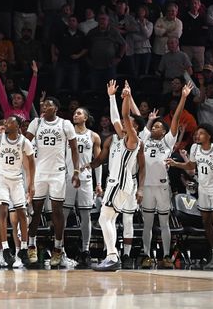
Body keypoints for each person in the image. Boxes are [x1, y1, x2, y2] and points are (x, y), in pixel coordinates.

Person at [90, 81, 143, 271]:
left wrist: (127, 97)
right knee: (109, 219)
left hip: (119, 182)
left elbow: (125, 116)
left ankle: (112, 256)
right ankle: (112, 255)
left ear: (134, 127)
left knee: (105, 219)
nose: (122, 125)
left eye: (129, 125)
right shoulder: (121, 138)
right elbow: (116, 118)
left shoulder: (133, 139)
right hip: (120, 182)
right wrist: (112, 96)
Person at [138, 82, 191, 269]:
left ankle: (167, 255)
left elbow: (175, 119)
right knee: (147, 224)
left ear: (165, 132)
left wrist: (183, 98)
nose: (154, 129)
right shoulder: (144, 139)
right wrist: (150, 120)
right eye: (154, 126)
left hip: (162, 187)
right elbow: (140, 121)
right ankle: (146, 255)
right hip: (146, 187)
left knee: (164, 223)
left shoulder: (168, 142)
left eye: (159, 126)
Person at [23, 95, 80, 267]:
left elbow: (74, 149)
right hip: (39, 172)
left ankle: (57, 248)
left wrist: (76, 171)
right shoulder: (36, 123)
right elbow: (24, 144)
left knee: (57, 212)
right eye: (42, 105)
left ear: (55, 108)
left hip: (58, 173)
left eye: (47, 105)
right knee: (36, 210)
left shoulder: (65, 124)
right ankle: (30, 245)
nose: (43, 107)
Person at [167, 125, 213, 270]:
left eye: (201, 133)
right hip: (202, 189)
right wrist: (176, 164)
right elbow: (191, 165)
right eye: (196, 133)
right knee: (206, 221)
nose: (197, 136)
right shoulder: (195, 149)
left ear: (209, 136)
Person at [0, 115, 35, 268]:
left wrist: (31, 185)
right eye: (5, 122)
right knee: (3, 211)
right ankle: (6, 248)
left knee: (21, 213)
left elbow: (31, 164)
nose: (6, 124)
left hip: (17, 179)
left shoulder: (24, 142)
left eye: (10, 122)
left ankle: (24, 248)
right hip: (1, 178)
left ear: (18, 126)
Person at [65, 107, 102, 268]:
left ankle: (86, 250)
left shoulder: (93, 136)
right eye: (74, 113)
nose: (75, 115)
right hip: (68, 177)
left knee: (86, 215)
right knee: (63, 214)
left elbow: (98, 161)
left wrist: (99, 183)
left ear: (86, 117)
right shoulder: (67, 133)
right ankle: (59, 249)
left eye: (79, 113)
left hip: (85, 178)